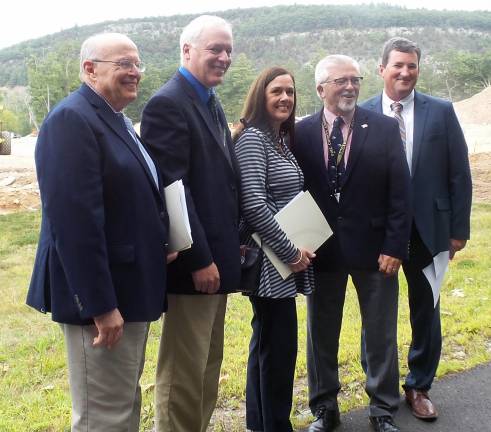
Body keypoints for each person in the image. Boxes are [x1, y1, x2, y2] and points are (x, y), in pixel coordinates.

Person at [26, 33, 174, 432]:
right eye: (124, 64)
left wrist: (161, 242)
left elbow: (128, 199)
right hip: (105, 303)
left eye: (137, 64)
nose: (135, 72)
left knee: (123, 404)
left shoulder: (115, 120)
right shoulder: (72, 120)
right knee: (103, 417)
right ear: (90, 69)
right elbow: (74, 225)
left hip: (129, 289)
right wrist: (100, 306)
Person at [293, 55, 411, 432]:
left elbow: (400, 193)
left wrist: (395, 246)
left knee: (380, 333)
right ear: (320, 89)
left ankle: (382, 409)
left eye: (355, 80)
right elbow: (291, 192)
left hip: (376, 251)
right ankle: (324, 408)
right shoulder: (300, 132)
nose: (350, 87)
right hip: (320, 251)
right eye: (340, 81)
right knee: (320, 334)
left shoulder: (383, 127)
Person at [361, 37, 472, 421]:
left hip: (430, 230)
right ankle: (381, 389)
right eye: (398, 66)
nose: (405, 72)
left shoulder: (440, 111)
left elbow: (459, 172)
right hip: (380, 234)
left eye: (412, 66)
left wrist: (459, 230)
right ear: (381, 69)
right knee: (378, 313)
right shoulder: (362, 113)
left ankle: (419, 384)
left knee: (427, 310)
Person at [140, 15, 241, 432]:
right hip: (195, 267)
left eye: (228, 50)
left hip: (218, 261)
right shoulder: (169, 103)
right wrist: (199, 259)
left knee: (206, 365)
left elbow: (218, 184)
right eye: (214, 49)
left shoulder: (208, 100)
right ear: (186, 51)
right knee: (184, 371)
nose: (223, 57)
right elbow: (173, 190)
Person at [233, 67, 315, 432]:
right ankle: (275, 425)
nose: (285, 98)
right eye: (276, 91)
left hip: (283, 258)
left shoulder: (278, 139)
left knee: (267, 345)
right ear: (260, 96)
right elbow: (253, 204)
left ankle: (260, 424)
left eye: (291, 92)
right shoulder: (252, 139)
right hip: (270, 264)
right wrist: (291, 252)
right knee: (277, 350)